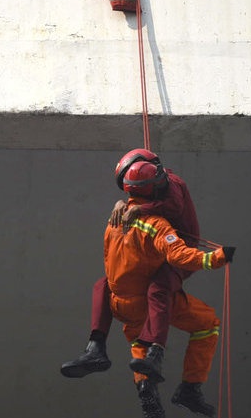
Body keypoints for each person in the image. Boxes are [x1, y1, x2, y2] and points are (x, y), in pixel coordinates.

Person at [62, 149, 204, 383]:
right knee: (105, 285)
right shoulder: (149, 189)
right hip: (155, 250)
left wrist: (139, 209)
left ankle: (155, 352)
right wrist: (123, 204)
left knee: (159, 288)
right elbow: (138, 199)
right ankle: (95, 348)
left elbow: (173, 207)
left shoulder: (173, 184)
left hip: (180, 252)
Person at [105, 161, 234, 418]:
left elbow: (108, 261)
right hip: (152, 299)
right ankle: (179, 376)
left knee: (142, 341)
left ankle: (147, 394)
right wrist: (218, 257)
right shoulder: (155, 223)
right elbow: (180, 255)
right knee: (201, 321)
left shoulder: (114, 221)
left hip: (125, 304)